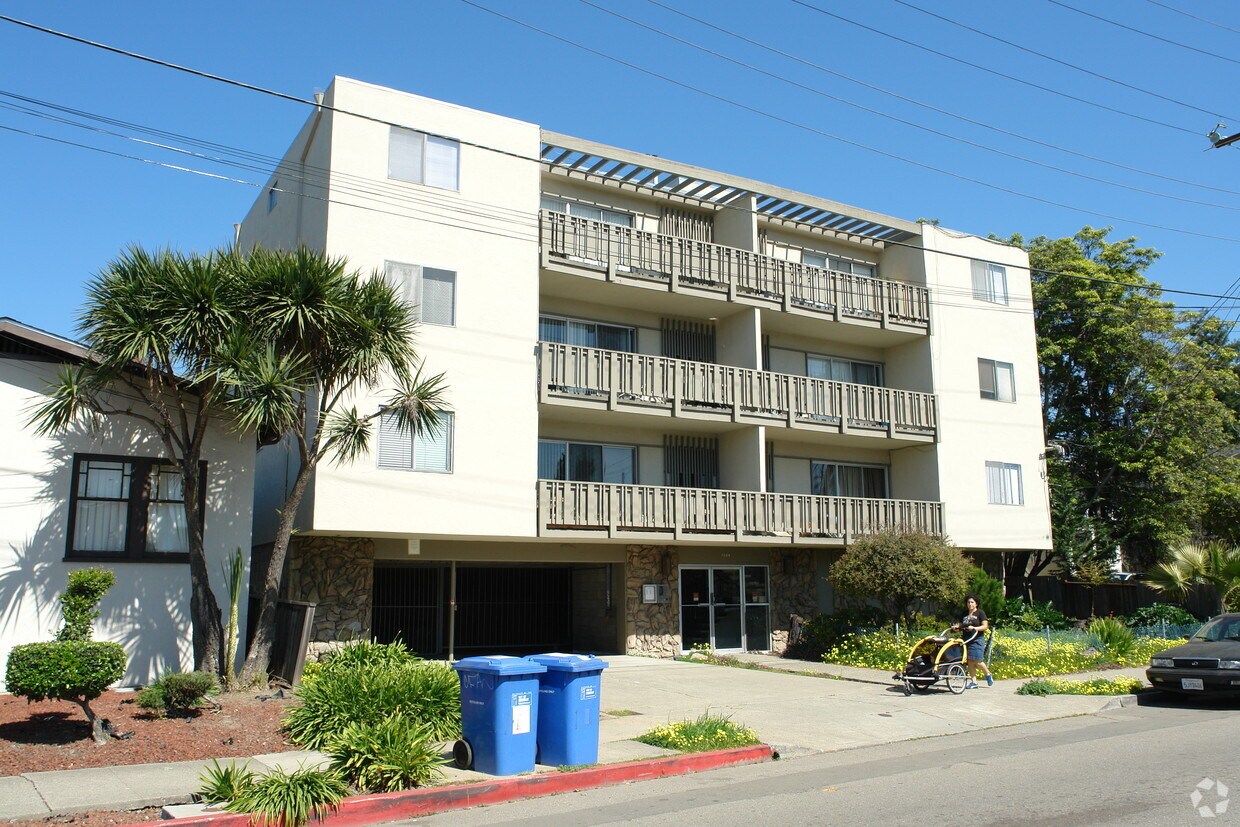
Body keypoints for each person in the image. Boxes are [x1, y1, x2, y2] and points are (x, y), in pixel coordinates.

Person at [952, 595, 992, 689]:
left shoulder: (980, 613)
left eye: (972, 602)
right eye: (968, 602)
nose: (970, 604)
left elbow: (985, 626)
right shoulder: (964, 614)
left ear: (976, 604)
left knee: (977, 660)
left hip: (976, 639)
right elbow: (961, 625)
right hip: (966, 639)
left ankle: (988, 674)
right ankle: (974, 682)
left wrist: (974, 628)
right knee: (969, 661)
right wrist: (956, 627)